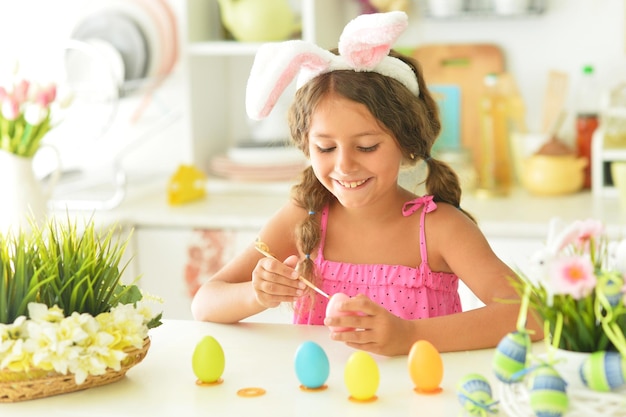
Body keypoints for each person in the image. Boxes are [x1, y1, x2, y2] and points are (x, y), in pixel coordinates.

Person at [191, 11, 541, 356]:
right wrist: (256, 295)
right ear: (306, 146)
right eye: (325, 147)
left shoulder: (439, 229)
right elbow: (205, 303)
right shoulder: (304, 217)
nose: (345, 165)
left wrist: (409, 336)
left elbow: (533, 316)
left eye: (367, 146)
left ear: (405, 143)